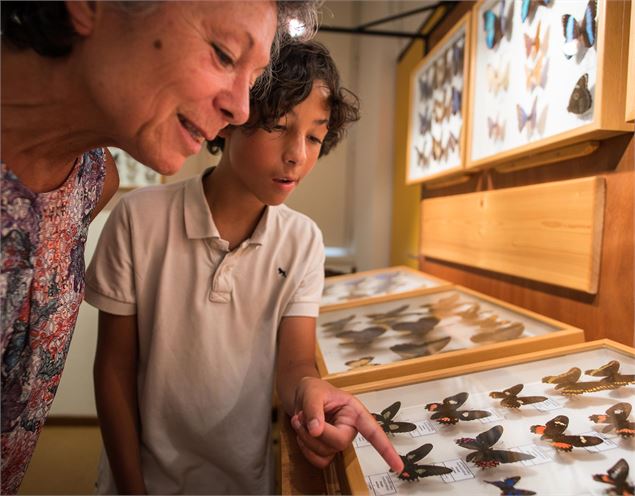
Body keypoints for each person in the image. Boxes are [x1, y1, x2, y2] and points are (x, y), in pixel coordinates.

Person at [0, 2, 319, 493]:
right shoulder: (137, 214)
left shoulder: (89, 182)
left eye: (254, 78)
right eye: (223, 53)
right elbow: (114, 366)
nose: (242, 108)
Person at [85, 40, 404, 494]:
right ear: (230, 118)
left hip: (245, 480)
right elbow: (113, 369)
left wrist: (310, 391)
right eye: (277, 125)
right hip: (139, 479)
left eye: (314, 136)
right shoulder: (139, 218)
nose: (298, 154)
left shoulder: (302, 240)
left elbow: (294, 363)